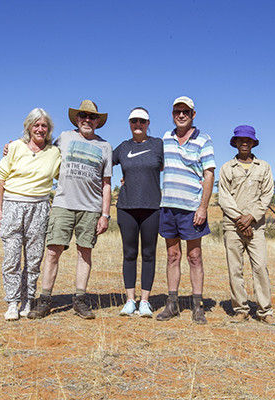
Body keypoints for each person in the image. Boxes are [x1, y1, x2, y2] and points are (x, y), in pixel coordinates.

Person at [27, 100, 113, 320]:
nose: (87, 120)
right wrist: (15, 144)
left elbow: (106, 183)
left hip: (91, 209)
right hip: (63, 204)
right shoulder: (64, 137)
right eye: (83, 115)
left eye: (92, 117)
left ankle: (80, 300)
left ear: (97, 121)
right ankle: (45, 299)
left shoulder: (105, 147)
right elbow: (38, 145)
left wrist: (105, 214)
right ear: (77, 119)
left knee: (85, 252)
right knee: (53, 251)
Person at [0, 108, 61, 321]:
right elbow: (1, 180)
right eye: (36, 125)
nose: (40, 129)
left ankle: (28, 299)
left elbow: (64, 177)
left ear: (49, 130)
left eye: (44, 126)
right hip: (13, 205)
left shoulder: (54, 153)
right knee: (12, 257)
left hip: (39, 207)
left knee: (34, 258)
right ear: (29, 127)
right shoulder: (14, 147)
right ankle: (12, 303)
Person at [156, 96, 215, 325]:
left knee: (194, 256)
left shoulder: (204, 139)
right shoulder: (166, 138)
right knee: (172, 256)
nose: (181, 115)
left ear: (193, 115)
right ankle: (172, 304)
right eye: (177, 111)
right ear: (172, 114)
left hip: (192, 208)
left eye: (185, 112)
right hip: (168, 205)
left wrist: (203, 207)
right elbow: (159, 165)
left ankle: (197, 305)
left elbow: (209, 174)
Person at [217, 125, 275, 326]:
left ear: (253, 143)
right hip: (232, 226)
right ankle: (241, 309)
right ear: (234, 142)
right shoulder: (227, 168)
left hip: (257, 226)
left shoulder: (264, 167)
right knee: (235, 268)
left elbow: (267, 195)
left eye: (248, 140)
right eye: (240, 139)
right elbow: (224, 197)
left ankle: (265, 310)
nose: (244, 142)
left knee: (260, 266)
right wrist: (239, 219)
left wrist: (251, 217)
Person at [113, 107, 164, 318]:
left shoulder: (158, 144)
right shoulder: (123, 148)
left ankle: (145, 302)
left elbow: (174, 161)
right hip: (126, 207)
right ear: (129, 123)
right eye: (134, 121)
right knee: (130, 253)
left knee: (149, 254)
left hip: (152, 207)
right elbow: (103, 161)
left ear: (148, 123)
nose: (138, 124)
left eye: (142, 121)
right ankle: (130, 301)